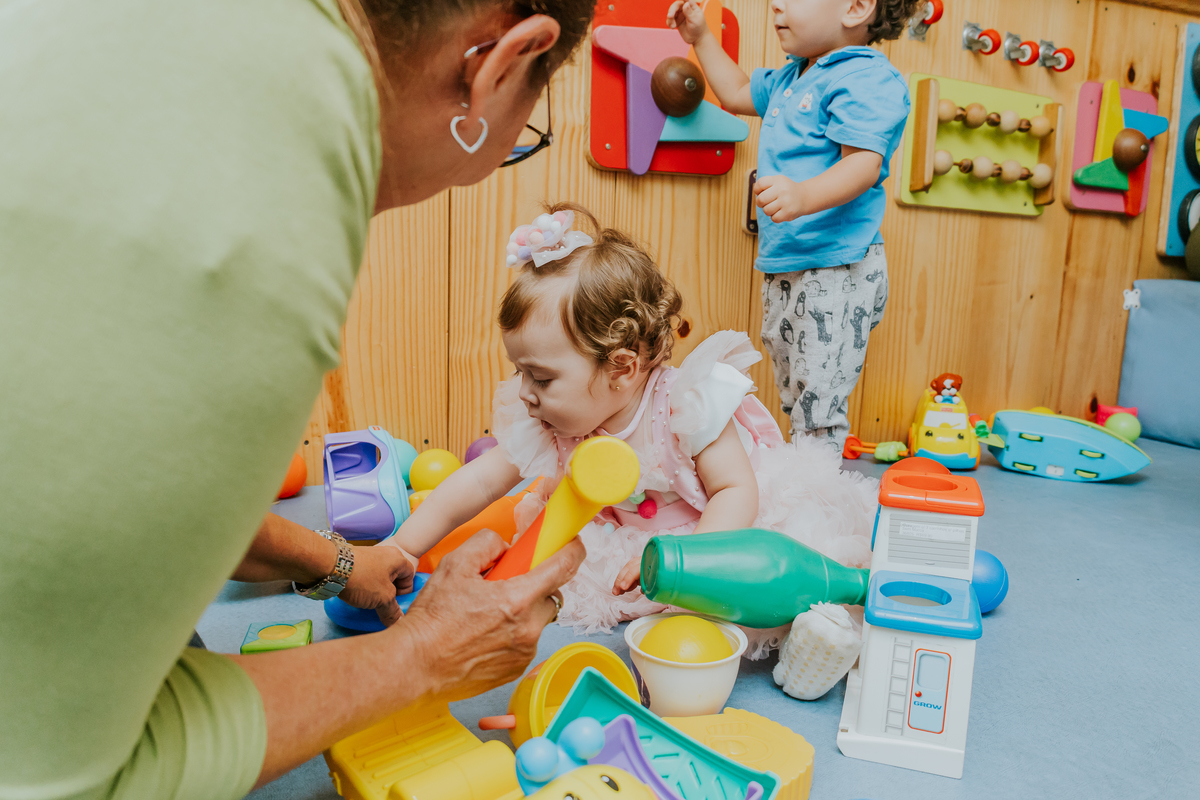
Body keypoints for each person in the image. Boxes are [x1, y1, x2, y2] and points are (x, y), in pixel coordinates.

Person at [0, 1, 596, 798]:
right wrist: (423, 656)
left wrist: (336, 560)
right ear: (500, 61)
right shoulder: (259, 245)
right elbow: (61, 775)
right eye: (526, 126)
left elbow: (128, 487)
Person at [385, 205, 878, 658]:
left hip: (716, 528)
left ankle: (825, 631)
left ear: (621, 367)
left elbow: (735, 489)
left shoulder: (685, 405)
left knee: (771, 588)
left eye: (541, 377)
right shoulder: (552, 419)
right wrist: (403, 547)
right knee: (554, 569)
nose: (526, 393)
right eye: (520, 372)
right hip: (623, 535)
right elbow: (478, 481)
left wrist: (688, 568)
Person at [668, 0, 919, 452]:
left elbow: (863, 163)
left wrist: (803, 196)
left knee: (818, 397)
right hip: (787, 261)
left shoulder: (865, 77)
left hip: (837, 266)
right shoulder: (792, 77)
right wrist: (701, 37)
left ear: (857, 8)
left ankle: (817, 494)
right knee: (795, 386)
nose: (775, 4)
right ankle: (803, 470)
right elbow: (737, 91)